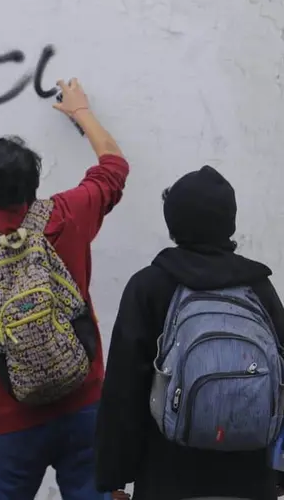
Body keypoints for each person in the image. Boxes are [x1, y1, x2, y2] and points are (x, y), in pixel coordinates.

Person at [0, 78, 130, 500]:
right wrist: (80, 111)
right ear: (35, 180)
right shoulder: (67, 214)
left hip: (15, 415)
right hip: (85, 400)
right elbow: (114, 168)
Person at [95, 166, 284, 500]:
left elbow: (124, 388)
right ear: (230, 221)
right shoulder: (259, 287)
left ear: (174, 224)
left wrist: (115, 476)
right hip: (251, 478)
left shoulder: (149, 286)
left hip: (168, 475)